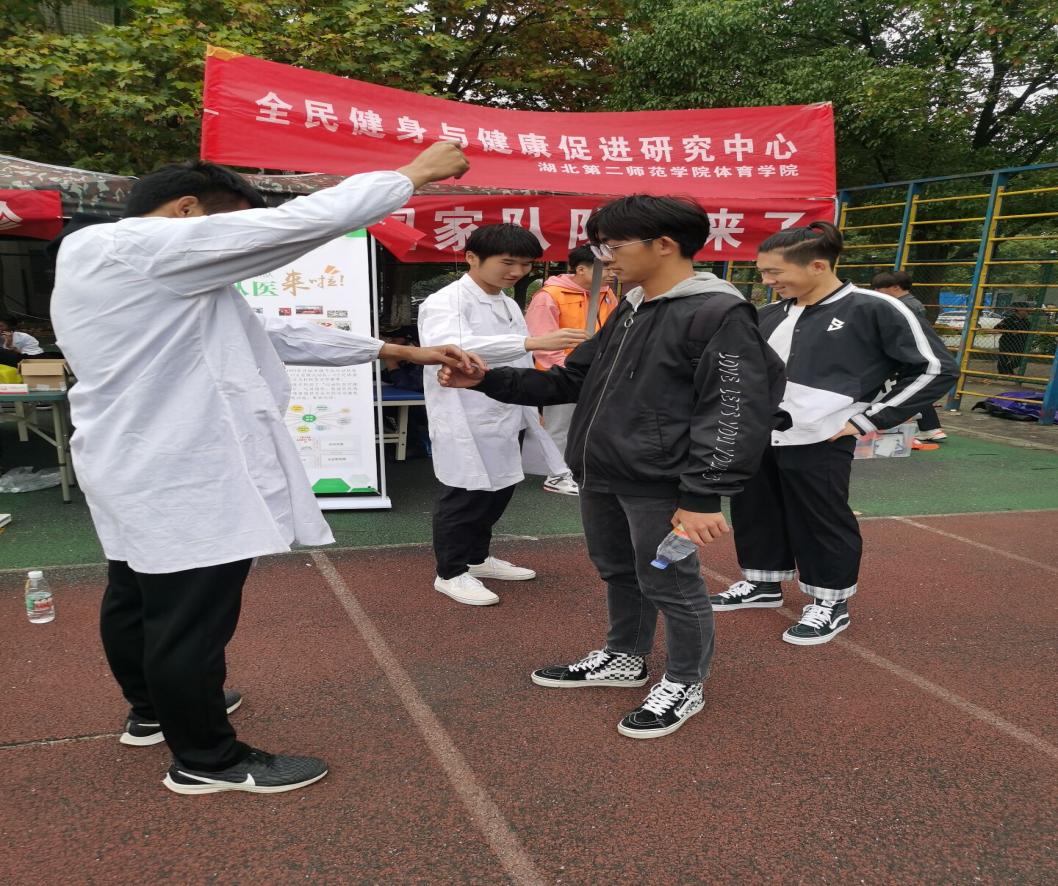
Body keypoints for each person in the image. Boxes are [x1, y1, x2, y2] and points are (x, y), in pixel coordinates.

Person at [49, 144, 476, 796]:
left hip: (136, 459)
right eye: (227, 226)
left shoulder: (124, 267)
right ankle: (207, 759)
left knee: (137, 594)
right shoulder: (137, 247)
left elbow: (271, 333)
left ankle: (153, 710)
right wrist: (412, 175)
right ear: (186, 210)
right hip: (181, 465)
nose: (234, 243)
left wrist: (396, 350)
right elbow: (291, 226)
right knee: (190, 616)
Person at [438, 195, 781, 739]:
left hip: (660, 481)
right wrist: (488, 380)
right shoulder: (632, 305)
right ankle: (624, 656)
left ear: (663, 245)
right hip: (603, 470)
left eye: (613, 246)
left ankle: (685, 681)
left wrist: (702, 494)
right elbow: (574, 378)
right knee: (619, 570)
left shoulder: (718, 312)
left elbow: (735, 409)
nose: (604, 258)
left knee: (671, 582)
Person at [711, 222, 958, 644]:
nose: (766, 281)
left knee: (821, 518)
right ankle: (762, 582)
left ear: (818, 266)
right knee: (755, 509)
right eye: (763, 272)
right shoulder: (770, 314)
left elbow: (935, 368)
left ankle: (830, 601)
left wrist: (869, 420)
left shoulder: (876, 308)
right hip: (759, 435)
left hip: (823, 437)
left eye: (774, 272)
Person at [418, 223, 587, 607]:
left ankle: (477, 558)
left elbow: (519, 360)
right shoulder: (446, 301)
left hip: (505, 410)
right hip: (464, 413)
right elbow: (450, 346)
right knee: (465, 492)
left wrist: (529, 403)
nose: (516, 272)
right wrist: (531, 341)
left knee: (499, 488)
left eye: (525, 265)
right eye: (507, 262)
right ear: (472, 258)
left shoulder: (507, 302)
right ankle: (450, 571)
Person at [524, 245, 619, 495]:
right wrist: (567, 371)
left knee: (590, 424)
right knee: (559, 425)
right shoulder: (549, 296)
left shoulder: (608, 295)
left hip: (597, 372)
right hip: (561, 374)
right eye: (605, 267)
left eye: (612, 266)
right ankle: (555, 475)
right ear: (581, 269)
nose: (611, 273)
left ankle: (577, 470)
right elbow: (541, 340)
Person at [871, 270, 947, 442]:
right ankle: (930, 427)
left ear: (896, 287)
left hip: (905, 354)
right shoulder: (913, 303)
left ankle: (916, 431)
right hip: (912, 353)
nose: (876, 292)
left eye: (879, 288)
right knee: (912, 390)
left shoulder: (902, 306)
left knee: (904, 391)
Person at [995, 303, 1033, 376]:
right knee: (1004, 358)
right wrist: (1010, 331)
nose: (1028, 312)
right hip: (1007, 342)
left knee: (1020, 359)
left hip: (1020, 343)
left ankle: (1008, 369)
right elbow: (997, 328)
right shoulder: (1010, 319)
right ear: (1019, 310)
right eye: (1026, 310)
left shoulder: (1026, 321)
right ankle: (1002, 373)